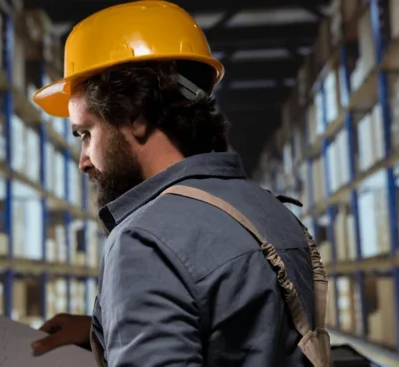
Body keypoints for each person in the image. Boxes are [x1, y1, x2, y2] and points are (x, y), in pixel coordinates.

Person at [29, 1, 332, 367]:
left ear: (133, 115)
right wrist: (113, 325)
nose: (84, 161)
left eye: (85, 133)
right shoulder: (270, 211)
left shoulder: (145, 241)